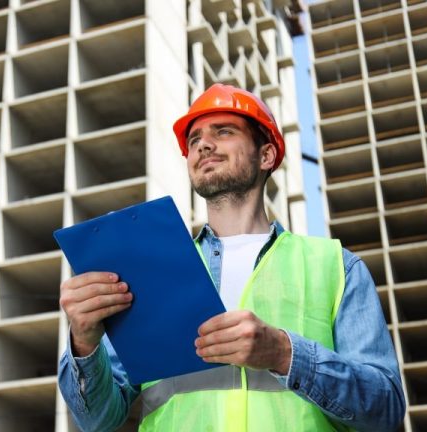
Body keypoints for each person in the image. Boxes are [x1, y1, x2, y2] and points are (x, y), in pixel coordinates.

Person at [57, 84, 405, 431]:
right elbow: (98, 420)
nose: (203, 144)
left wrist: (284, 354)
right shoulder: (153, 271)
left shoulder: (334, 266)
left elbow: (386, 410)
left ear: (266, 155)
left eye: (223, 131)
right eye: (194, 140)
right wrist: (84, 342)